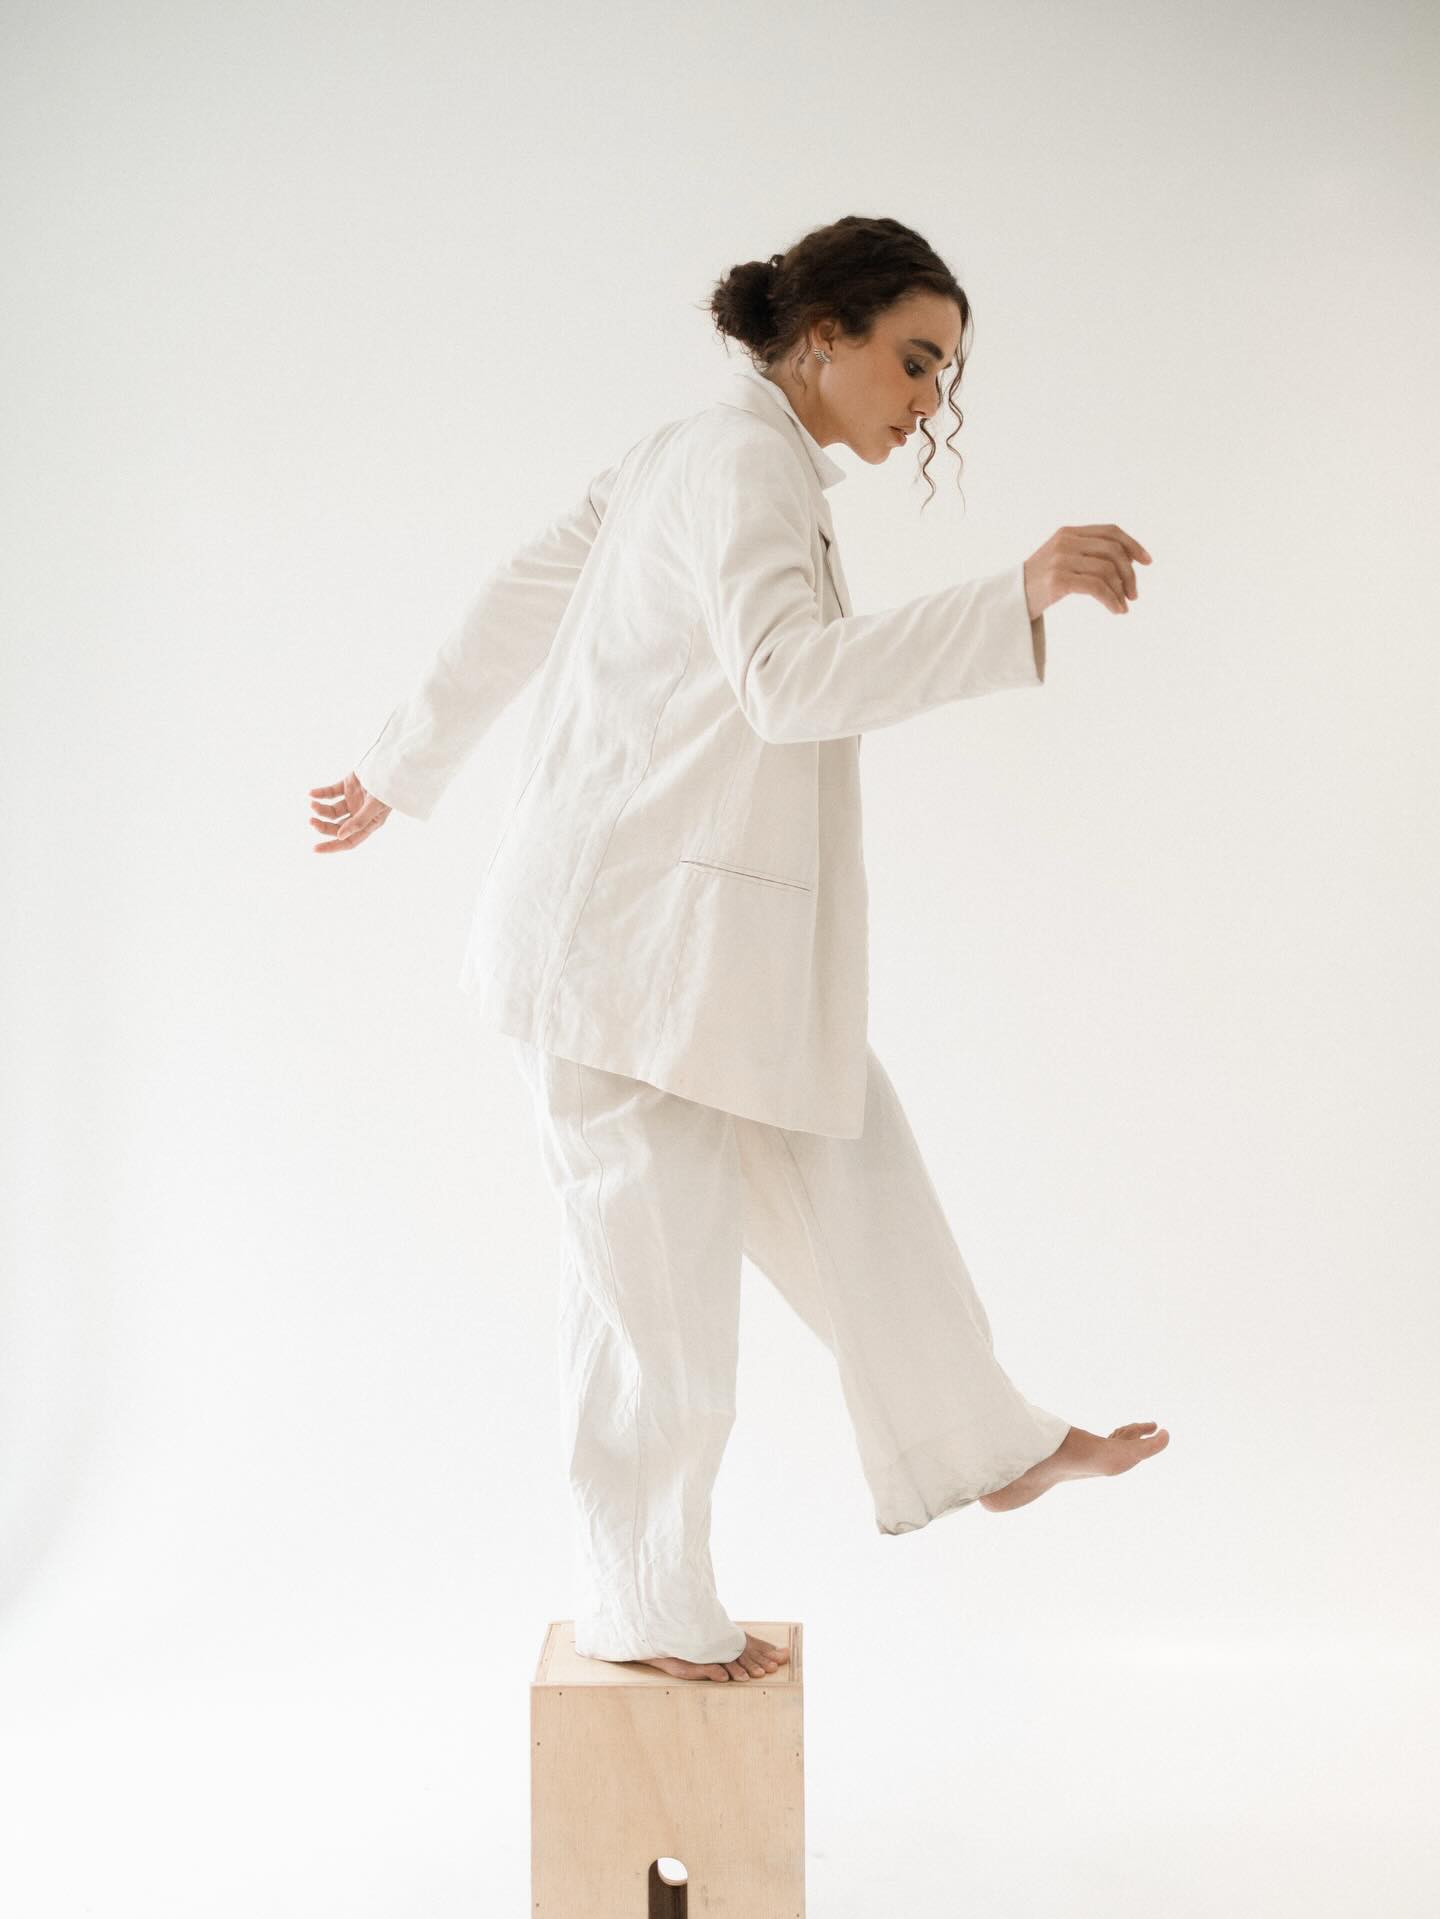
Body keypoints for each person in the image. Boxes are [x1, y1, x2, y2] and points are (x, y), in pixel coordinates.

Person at [307, 214, 1169, 1688]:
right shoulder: (731, 462)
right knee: (653, 1302)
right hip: (617, 961)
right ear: (823, 335)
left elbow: (522, 593)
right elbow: (785, 682)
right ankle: (644, 1604)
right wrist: (1011, 597)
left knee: (859, 1174)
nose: (927, 401)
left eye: (943, 375)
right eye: (915, 360)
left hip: (702, 953)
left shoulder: (699, 457)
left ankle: (991, 1446)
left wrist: (403, 760)